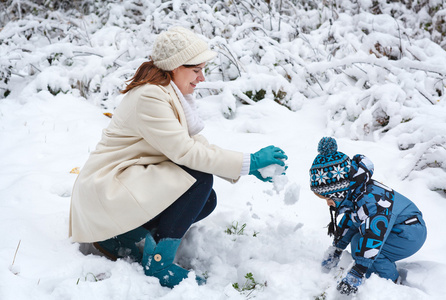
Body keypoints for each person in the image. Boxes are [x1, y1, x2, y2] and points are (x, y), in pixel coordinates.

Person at [69, 26, 287, 288]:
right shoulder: (150, 96)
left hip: (120, 185)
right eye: (196, 70)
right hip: (106, 190)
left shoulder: (166, 94)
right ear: (174, 67)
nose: (202, 78)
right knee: (197, 178)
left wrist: (246, 167)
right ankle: (158, 262)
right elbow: (186, 152)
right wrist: (248, 162)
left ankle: (121, 236)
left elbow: (194, 144)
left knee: (205, 200)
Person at [309, 137, 426, 295]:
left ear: (340, 191)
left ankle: (390, 284)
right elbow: (351, 221)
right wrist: (337, 248)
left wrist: (357, 272)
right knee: (359, 239)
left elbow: (373, 236)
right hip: (398, 226)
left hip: (409, 232)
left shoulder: (370, 202)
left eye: (329, 198)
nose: (328, 203)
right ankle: (374, 272)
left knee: (362, 244)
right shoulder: (356, 192)